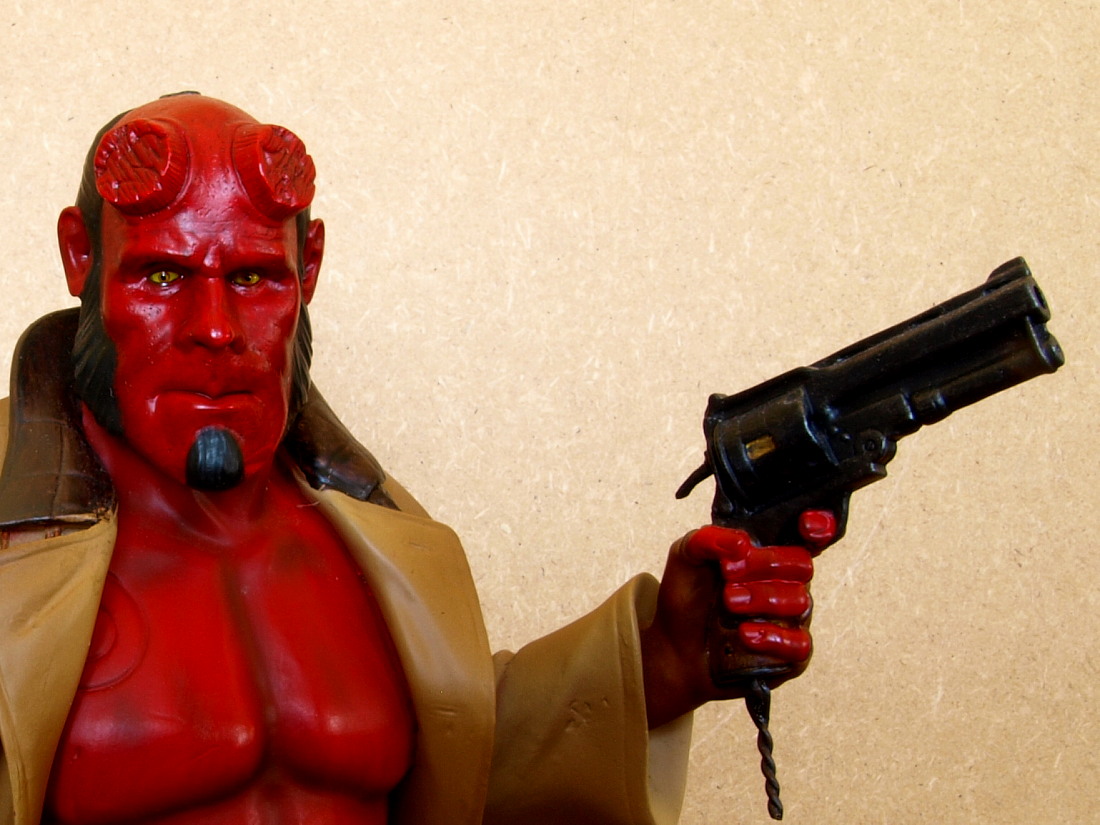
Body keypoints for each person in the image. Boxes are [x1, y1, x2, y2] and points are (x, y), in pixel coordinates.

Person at [0, 93, 830, 824]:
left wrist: (658, 663)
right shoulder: (13, 538)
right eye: (161, 276)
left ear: (308, 267)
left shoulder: (371, 527)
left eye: (254, 278)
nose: (214, 327)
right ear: (82, 258)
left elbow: (458, 763)